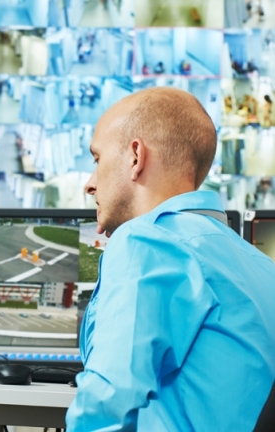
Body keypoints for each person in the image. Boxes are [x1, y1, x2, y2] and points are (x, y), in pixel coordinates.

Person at [67, 87, 275, 431]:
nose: (90, 185)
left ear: (135, 157)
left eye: (97, 159)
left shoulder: (145, 241)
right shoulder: (259, 265)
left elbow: (105, 405)